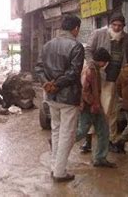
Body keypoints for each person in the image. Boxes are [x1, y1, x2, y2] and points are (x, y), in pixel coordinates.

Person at [35, 14, 84, 182]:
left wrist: (47, 84)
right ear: (75, 29)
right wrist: (57, 84)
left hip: (51, 96)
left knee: (56, 130)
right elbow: (74, 72)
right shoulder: (76, 46)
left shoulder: (47, 45)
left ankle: (54, 166)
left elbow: (39, 68)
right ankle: (60, 172)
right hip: (68, 97)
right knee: (67, 134)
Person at [85, 13, 128, 152]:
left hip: (115, 80)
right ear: (110, 25)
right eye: (114, 25)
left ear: (123, 26)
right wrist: (93, 66)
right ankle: (87, 141)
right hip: (99, 79)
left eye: (120, 26)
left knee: (112, 111)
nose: (117, 28)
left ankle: (110, 139)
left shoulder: (126, 38)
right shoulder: (99, 33)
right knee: (95, 109)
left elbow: (125, 56)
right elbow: (87, 50)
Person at [75, 47, 116, 168]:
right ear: (102, 61)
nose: (106, 65)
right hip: (90, 106)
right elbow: (85, 91)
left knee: (102, 130)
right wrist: (94, 104)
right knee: (83, 131)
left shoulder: (90, 68)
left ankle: (100, 158)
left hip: (92, 105)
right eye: (105, 62)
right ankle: (60, 143)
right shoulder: (91, 71)